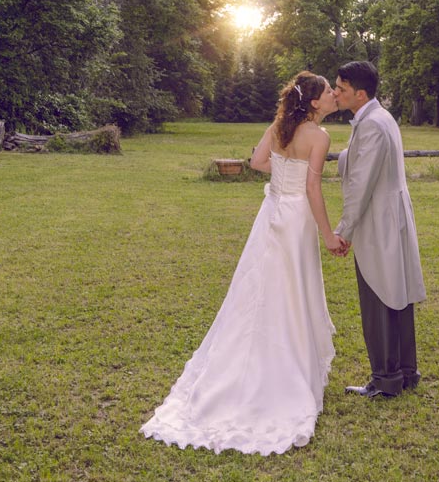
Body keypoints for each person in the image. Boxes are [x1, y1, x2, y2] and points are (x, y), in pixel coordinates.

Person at [141, 71, 346, 455]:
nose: (334, 96)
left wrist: (285, 172)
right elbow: (313, 188)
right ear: (315, 102)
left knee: (261, 287)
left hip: (271, 214)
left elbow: (256, 162)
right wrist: (327, 234)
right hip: (297, 218)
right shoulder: (319, 137)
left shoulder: (279, 127)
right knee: (293, 288)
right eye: (328, 93)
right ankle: (288, 371)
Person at [333, 61, 426, 399]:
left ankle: (385, 380)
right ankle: (404, 372)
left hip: (378, 221)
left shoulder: (371, 125)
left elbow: (361, 185)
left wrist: (343, 230)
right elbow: (361, 161)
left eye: (341, 89)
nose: (335, 93)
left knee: (378, 297)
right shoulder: (380, 117)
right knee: (396, 294)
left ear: (360, 93)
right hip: (392, 216)